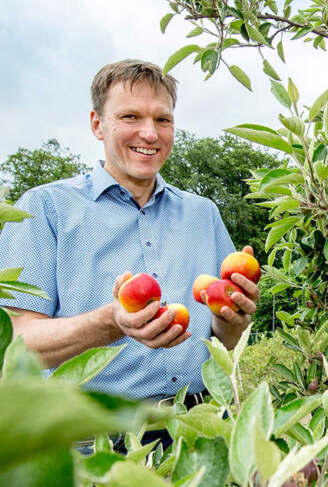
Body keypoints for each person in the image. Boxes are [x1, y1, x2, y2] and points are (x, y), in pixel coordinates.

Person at [0, 59, 260, 403]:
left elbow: (222, 341)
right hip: (91, 439)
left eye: (162, 119)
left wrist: (232, 318)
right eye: (130, 116)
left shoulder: (203, 214)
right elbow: (15, 345)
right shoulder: (46, 208)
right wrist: (111, 321)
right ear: (97, 124)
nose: (150, 133)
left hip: (197, 421)